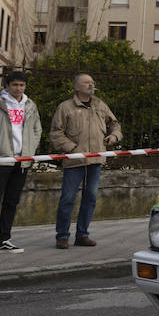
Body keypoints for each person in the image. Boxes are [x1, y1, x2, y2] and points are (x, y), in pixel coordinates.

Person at [0, 70, 41, 257]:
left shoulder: (30, 105)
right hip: (1, 161)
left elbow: (37, 129)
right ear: (7, 86)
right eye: (15, 85)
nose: (18, 89)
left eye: (22, 85)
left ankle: (4, 240)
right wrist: (1, 148)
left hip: (22, 162)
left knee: (12, 201)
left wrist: (30, 149)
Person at [50, 72, 122, 249]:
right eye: (86, 82)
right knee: (68, 198)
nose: (91, 85)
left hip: (96, 160)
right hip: (75, 161)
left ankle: (82, 234)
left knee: (90, 198)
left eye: (92, 82)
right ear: (76, 87)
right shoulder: (66, 107)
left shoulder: (100, 105)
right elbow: (56, 133)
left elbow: (115, 124)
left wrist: (114, 136)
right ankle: (62, 236)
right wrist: (73, 149)